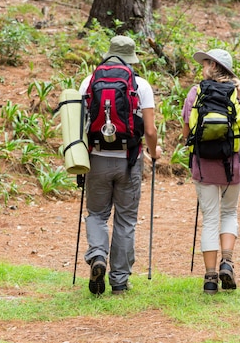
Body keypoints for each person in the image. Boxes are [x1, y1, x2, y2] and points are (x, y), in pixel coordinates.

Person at [79, 35, 162, 295]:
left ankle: (98, 255)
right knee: (125, 221)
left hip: (96, 158)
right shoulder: (141, 85)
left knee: (96, 214)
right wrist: (153, 150)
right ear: (132, 57)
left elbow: (79, 125)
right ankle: (119, 282)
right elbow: (149, 129)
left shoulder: (89, 81)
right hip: (129, 160)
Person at [181, 48, 240, 295]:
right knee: (229, 213)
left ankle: (210, 278)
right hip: (232, 165)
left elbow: (186, 134)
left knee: (210, 218)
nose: (202, 66)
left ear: (211, 66)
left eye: (204, 63)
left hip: (203, 166)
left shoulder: (196, 93)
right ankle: (227, 262)